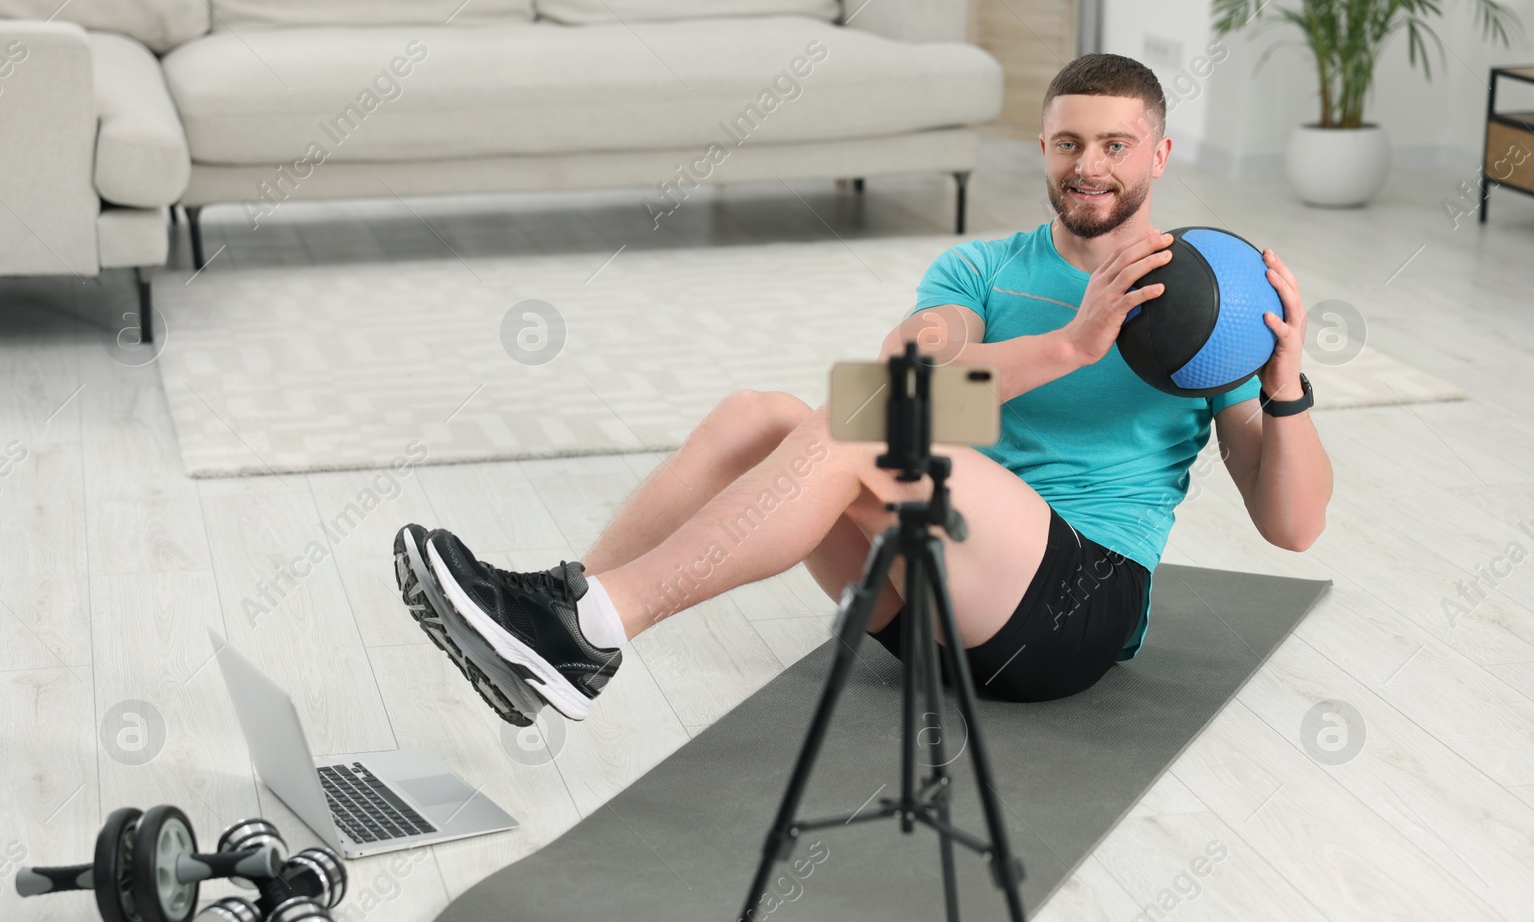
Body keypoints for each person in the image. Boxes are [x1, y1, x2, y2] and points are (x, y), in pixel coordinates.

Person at [394, 53, 1334, 726]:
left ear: (1159, 156)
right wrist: (1072, 342)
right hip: (928, 614)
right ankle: (571, 607)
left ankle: (590, 629)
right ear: (1043, 148)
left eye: (1118, 145)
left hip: (1070, 611)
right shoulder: (984, 270)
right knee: (761, 414)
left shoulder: (1202, 309)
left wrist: (1281, 378)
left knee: (861, 424)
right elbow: (912, 373)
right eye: (1069, 143)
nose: (1091, 165)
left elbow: (1290, 525)